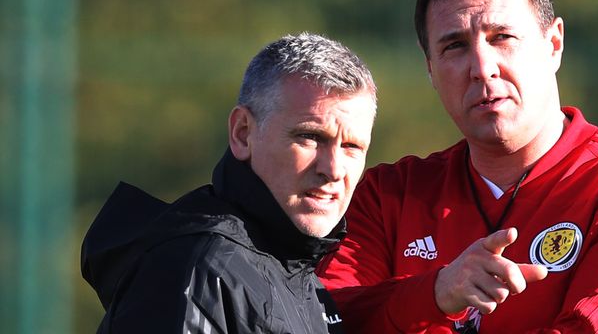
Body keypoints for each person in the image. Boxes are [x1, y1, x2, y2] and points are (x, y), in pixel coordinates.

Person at [317, 0, 598, 333]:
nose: (482, 69)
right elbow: (323, 319)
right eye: (455, 46)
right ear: (430, 69)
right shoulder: (387, 197)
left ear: (553, 45)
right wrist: (434, 294)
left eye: (501, 37)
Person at [81, 33, 377, 333]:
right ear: (242, 133)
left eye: (352, 147)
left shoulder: (300, 276)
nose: (333, 169)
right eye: (310, 137)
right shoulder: (198, 271)